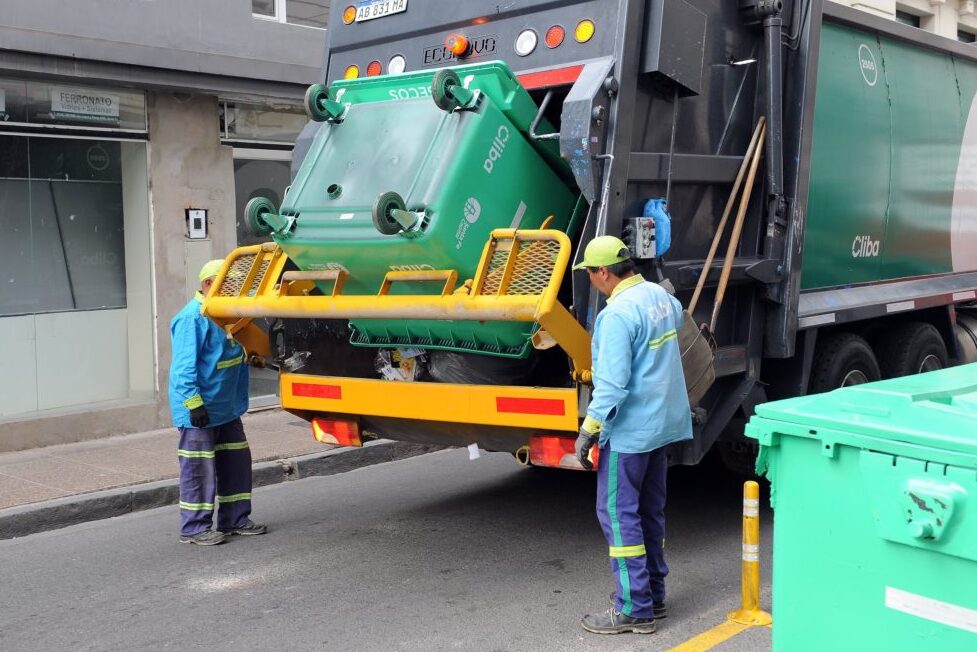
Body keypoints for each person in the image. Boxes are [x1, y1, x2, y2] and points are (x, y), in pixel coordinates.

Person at [572, 236, 692, 635]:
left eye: (589, 273)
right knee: (649, 512)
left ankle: (633, 608)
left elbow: (612, 385)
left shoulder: (617, 315)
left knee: (620, 518)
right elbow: (675, 324)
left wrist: (588, 430)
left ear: (603, 272)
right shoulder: (660, 297)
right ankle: (653, 597)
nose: (590, 280)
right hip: (662, 427)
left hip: (630, 434)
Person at [168, 259, 267, 545]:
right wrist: (193, 403)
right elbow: (183, 368)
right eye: (231, 284)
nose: (237, 290)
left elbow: (226, 354)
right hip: (202, 409)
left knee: (236, 463)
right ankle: (194, 528)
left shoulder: (226, 314)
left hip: (226, 407)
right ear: (210, 284)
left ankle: (234, 519)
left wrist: (251, 356)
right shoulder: (193, 318)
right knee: (199, 469)